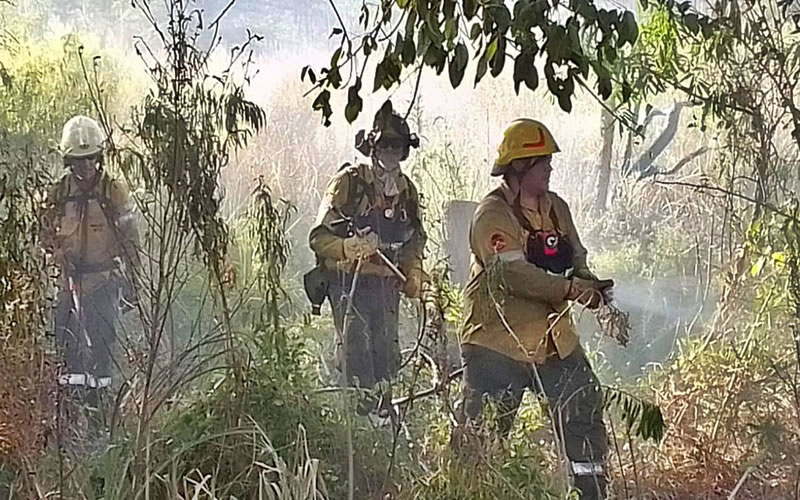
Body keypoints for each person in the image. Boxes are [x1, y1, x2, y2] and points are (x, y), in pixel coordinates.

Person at [458, 118, 614, 499]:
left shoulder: (556, 208)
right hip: (498, 345)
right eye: (542, 161)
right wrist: (571, 289)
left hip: (554, 342)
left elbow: (575, 256)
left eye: (548, 161)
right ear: (519, 167)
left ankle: (591, 493)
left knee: (583, 414)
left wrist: (589, 283)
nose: (550, 168)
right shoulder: (492, 216)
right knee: (481, 440)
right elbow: (515, 275)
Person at [307, 100, 427, 413]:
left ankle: (384, 417)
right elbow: (318, 237)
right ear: (372, 148)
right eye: (385, 146)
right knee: (357, 353)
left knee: (387, 357)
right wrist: (348, 248)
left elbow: (414, 240)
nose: (390, 153)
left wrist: (414, 272)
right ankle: (358, 423)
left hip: (387, 286)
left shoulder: (407, 193)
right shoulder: (349, 183)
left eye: (397, 147)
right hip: (348, 282)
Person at [41, 115, 141, 421]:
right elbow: (44, 233)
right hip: (69, 284)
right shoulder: (58, 194)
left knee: (101, 353)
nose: (85, 167)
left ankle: (98, 420)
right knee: (67, 350)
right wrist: (56, 253)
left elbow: (130, 241)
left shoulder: (113, 191)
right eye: (78, 161)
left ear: (99, 158)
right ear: (68, 161)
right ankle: (69, 419)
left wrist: (133, 284)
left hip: (102, 283)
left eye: (90, 160)